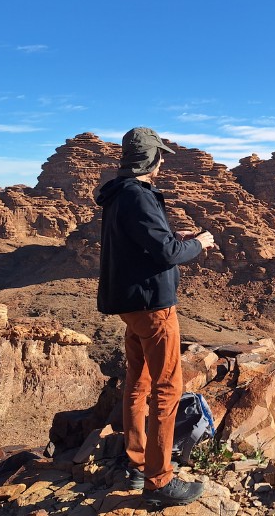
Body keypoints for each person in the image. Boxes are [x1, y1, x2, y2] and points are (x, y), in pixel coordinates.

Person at [96, 127, 215, 508]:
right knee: (167, 389)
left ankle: (134, 464)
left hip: (131, 304)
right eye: (160, 156)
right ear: (151, 160)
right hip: (153, 307)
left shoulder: (118, 195)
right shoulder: (138, 195)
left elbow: (148, 243)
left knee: (138, 382)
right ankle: (159, 482)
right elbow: (165, 254)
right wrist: (199, 243)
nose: (163, 162)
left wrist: (174, 239)